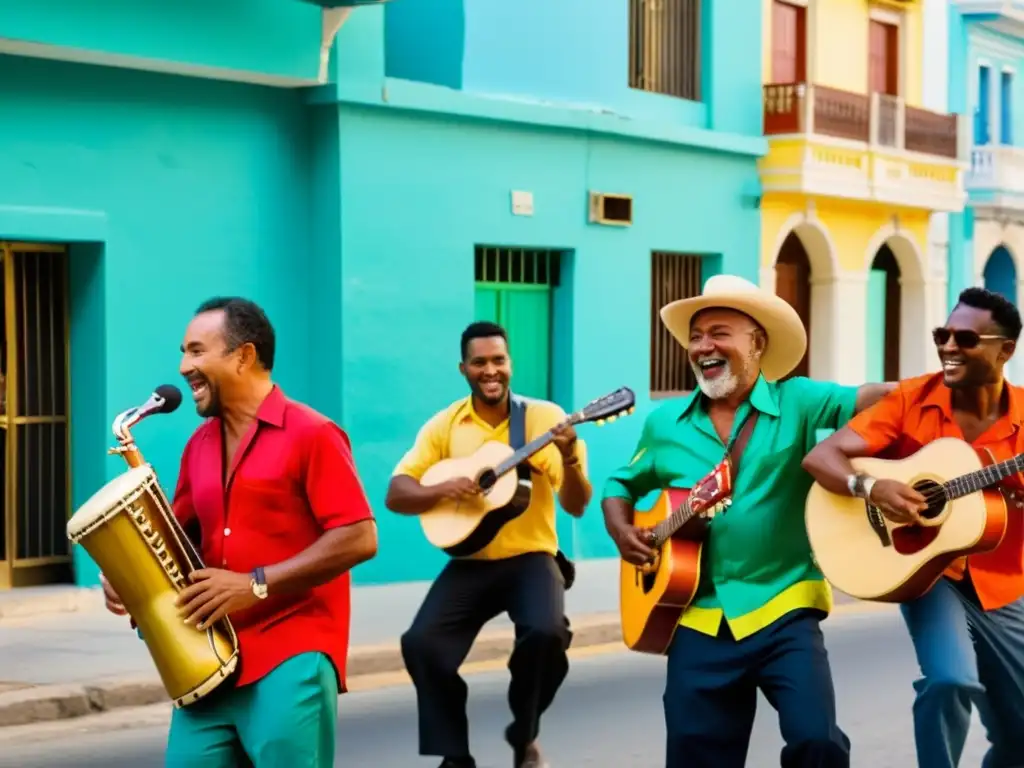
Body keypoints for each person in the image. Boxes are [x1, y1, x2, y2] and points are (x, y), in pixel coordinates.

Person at [601, 275, 895, 768]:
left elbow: (880, 396)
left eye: (720, 332)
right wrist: (623, 531)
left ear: (757, 344)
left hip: (785, 607)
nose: (704, 346)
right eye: (696, 336)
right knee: (696, 756)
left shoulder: (799, 402)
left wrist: (951, 387)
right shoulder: (665, 424)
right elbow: (620, 483)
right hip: (698, 616)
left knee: (817, 742)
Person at [100, 296, 379, 768]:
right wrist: (132, 575)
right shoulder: (198, 445)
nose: (183, 366)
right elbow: (178, 540)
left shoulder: (313, 433)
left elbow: (359, 535)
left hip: (292, 654)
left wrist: (256, 584)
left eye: (196, 351)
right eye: (184, 353)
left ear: (243, 356)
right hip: (206, 660)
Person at [801, 286, 1024, 768]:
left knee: (1019, 734)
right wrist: (870, 487)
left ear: (1005, 350)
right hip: (926, 572)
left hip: (1004, 579)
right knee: (950, 680)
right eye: (942, 334)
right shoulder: (911, 398)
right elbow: (822, 457)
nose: (947, 346)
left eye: (965, 338)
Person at [385, 320, 592, 768]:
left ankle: (525, 733)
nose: (490, 370)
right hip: (472, 559)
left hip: (531, 557)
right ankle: (454, 757)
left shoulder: (543, 420)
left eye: (498, 360)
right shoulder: (446, 424)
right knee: (421, 643)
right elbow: (396, 492)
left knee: (547, 633)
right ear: (464, 368)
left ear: (510, 364)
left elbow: (576, 504)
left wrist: (571, 455)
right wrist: (443, 490)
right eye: (479, 362)